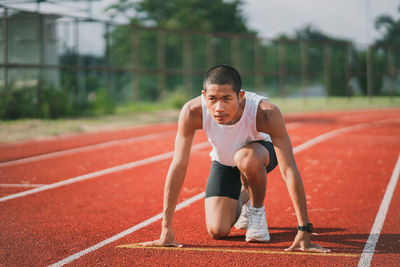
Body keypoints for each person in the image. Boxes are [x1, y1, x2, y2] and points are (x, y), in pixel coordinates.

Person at [141, 64, 330, 253]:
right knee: (217, 230)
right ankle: (244, 196)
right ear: (203, 96)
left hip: (259, 156)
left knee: (245, 158)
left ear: (241, 96)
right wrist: (166, 229)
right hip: (224, 162)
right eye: (212, 99)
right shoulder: (192, 112)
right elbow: (179, 164)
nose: (219, 107)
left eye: (227, 99)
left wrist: (304, 230)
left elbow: (288, 170)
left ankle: (256, 211)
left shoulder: (265, 113)